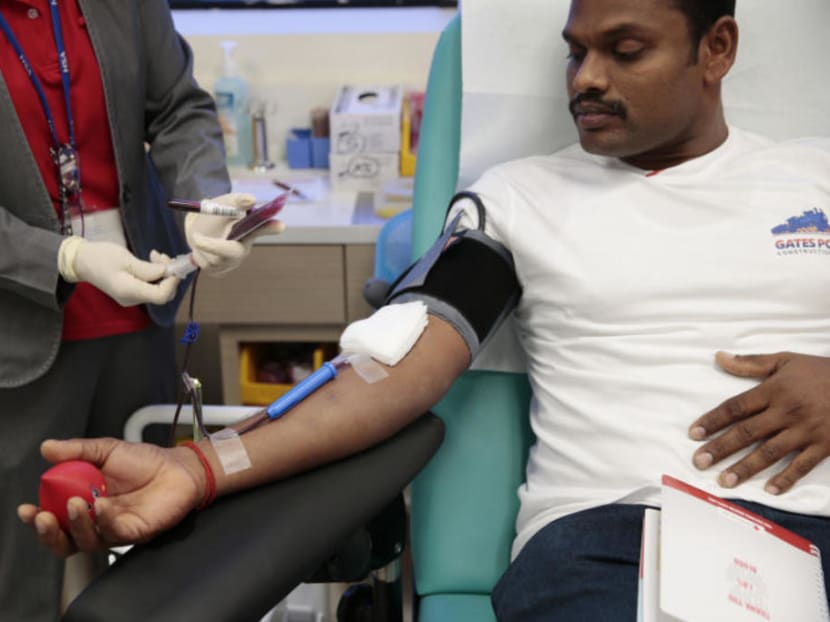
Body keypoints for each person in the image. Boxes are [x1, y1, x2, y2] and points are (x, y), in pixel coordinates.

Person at [17, 0, 830, 619]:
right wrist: (197, 467)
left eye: (625, 52)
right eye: (575, 52)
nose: (585, 79)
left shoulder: (814, 175)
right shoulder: (521, 200)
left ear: (716, 49)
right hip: (619, 541)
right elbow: (393, 365)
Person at [1, 1, 280, 620]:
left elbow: (178, 107)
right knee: (19, 578)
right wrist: (67, 257)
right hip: (17, 338)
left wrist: (206, 204)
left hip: (137, 315)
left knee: (152, 557)